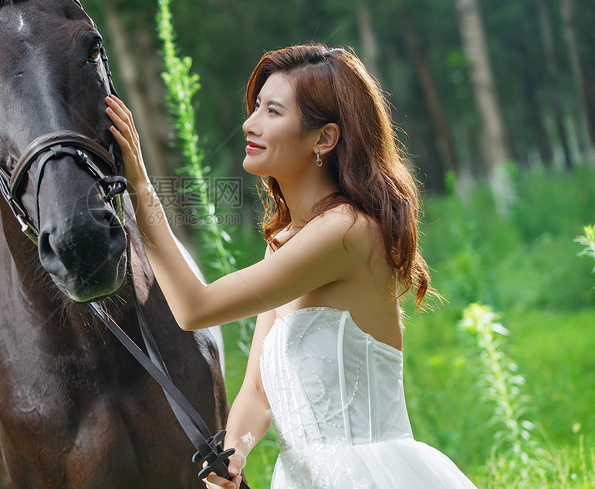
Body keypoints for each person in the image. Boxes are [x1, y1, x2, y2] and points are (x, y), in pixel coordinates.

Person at [106, 43, 476, 489]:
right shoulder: (284, 243)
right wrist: (236, 451)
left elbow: (194, 308)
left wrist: (138, 184)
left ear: (324, 138)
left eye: (273, 111)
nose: (250, 122)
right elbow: (259, 391)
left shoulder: (346, 232)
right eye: (256, 107)